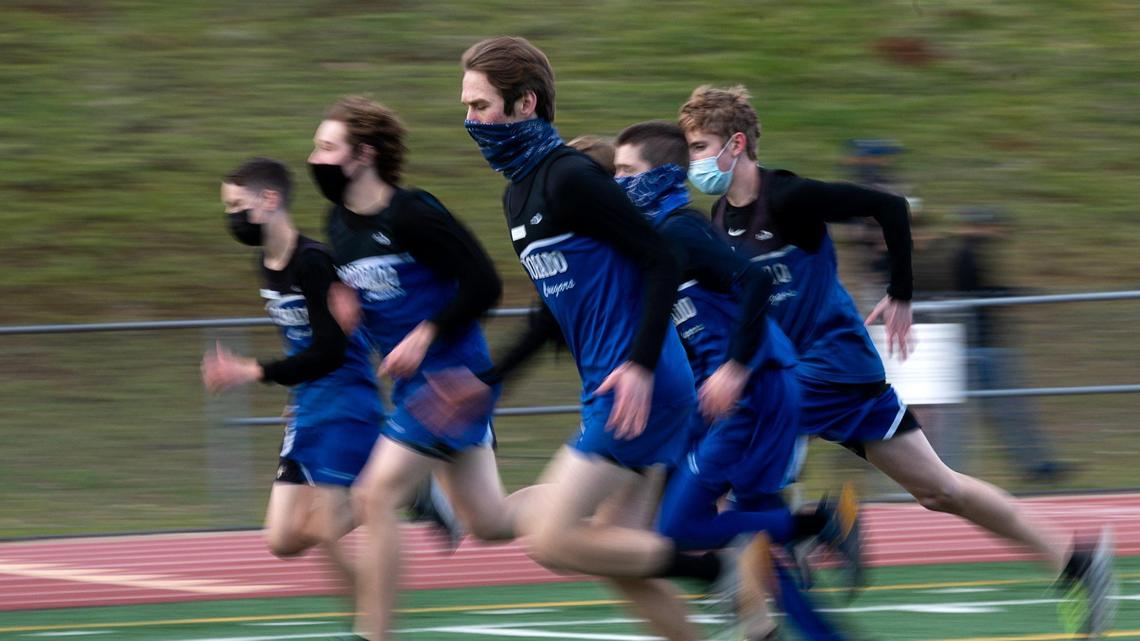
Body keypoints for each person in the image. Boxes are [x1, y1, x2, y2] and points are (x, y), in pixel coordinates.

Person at [679, 84, 1116, 638]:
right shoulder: (720, 218)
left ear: (735, 144)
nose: (692, 161)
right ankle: (1076, 561)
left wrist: (902, 292)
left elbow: (885, 207)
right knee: (940, 490)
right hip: (800, 373)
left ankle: (797, 555)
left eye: (699, 146)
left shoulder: (788, 198)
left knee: (740, 451)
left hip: (831, 366)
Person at [450, 36, 787, 641]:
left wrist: (637, 364)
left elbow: (659, 257)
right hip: (609, 382)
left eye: (480, 106)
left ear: (525, 104)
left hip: (642, 381)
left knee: (553, 540)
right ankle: (750, 624)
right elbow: (553, 311)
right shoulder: (516, 195)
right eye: (468, 107)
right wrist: (491, 382)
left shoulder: (570, 177)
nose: (469, 121)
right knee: (614, 555)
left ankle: (716, 568)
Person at [612, 120, 864, 639]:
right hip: (725, 398)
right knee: (747, 528)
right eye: (613, 171)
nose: (618, 181)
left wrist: (735, 367)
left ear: (661, 175)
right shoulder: (656, 240)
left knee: (680, 528)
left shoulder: (679, 229)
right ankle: (809, 618)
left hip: (755, 391)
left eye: (626, 171)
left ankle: (820, 524)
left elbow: (753, 280)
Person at [307, 96, 520, 641]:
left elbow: (484, 285)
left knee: (372, 496)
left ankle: (374, 634)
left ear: (364, 155)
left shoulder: (414, 213)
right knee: (490, 521)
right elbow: (369, 292)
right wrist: (348, 308)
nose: (316, 158)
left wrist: (425, 335)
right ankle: (578, 515)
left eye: (327, 148)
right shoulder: (338, 223)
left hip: (452, 379)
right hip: (410, 388)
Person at [204, 157, 381, 637]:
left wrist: (251, 370)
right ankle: (394, 490)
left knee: (325, 527)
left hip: (347, 398)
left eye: (237, 206)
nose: (231, 218)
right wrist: (298, 390)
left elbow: (329, 350)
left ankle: (373, 622)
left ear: (269, 200)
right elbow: (301, 345)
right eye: (227, 208)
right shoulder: (265, 263)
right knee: (282, 538)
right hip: (312, 401)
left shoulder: (313, 262)